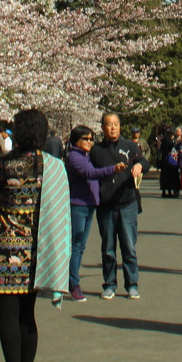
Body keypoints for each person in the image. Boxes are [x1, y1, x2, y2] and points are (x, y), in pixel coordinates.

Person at [0, 109, 71, 362]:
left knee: (8, 317)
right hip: (38, 250)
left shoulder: (7, 165)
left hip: (6, 249)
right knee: (27, 315)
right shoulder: (53, 166)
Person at [90, 111, 145, 300]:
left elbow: (143, 161)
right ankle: (109, 284)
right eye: (109, 124)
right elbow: (91, 173)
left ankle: (132, 284)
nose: (113, 127)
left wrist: (139, 166)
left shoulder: (130, 146)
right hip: (105, 205)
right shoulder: (96, 150)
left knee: (129, 246)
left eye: (116, 124)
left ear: (120, 126)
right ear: (103, 128)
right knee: (108, 248)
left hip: (127, 203)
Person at [65, 124, 120, 301]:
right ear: (76, 140)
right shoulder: (75, 157)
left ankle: (72, 279)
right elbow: (89, 173)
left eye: (91, 139)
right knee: (76, 245)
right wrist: (112, 169)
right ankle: (73, 282)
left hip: (89, 204)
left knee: (80, 246)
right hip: (78, 205)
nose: (90, 142)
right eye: (86, 139)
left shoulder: (85, 156)